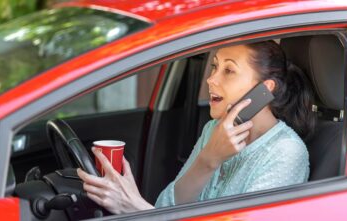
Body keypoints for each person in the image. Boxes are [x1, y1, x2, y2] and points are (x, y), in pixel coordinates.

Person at [77, 40, 315, 214]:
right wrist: (208, 159)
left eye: (229, 70)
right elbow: (168, 208)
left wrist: (135, 208)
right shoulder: (214, 129)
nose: (211, 79)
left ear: (266, 89)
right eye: (214, 66)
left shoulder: (286, 153)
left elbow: (156, 213)